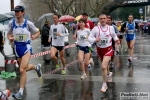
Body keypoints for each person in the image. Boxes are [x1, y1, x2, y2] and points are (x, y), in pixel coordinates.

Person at [7, 5, 42, 99]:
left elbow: (38, 32)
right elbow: (9, 33)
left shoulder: (28, 24)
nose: (16, 13)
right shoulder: (11, 23)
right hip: (17, 48)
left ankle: (20, 93)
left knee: (22, 69)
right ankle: (36, 67)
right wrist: (10, 37)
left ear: (23, 13)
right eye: (15, 11)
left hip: (26, 47)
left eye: (18, 11)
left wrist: (35, 36)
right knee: (24, 68)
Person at [88, 14, 119, 92]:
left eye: (104, 18)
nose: (103, 20)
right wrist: (95, 39)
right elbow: (89, 38)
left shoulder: (111, 28)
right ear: (99, 20)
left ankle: (104, 85)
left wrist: (116, 40)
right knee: (105, 66)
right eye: (101, 19)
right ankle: (109, 74)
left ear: (106, 19)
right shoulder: (95, 29)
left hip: (108, 49)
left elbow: (114, 35)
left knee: (103, 66)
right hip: (99, 50)